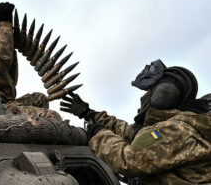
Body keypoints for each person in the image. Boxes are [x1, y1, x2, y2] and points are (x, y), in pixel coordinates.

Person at [60, 59, 211, 184]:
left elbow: (127, 160)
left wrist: (99, 135)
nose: (145, 96)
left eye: (149, 91)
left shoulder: (177, 131)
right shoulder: (178, 125)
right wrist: (90, 114)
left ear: (163, 95)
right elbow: (131, 133)